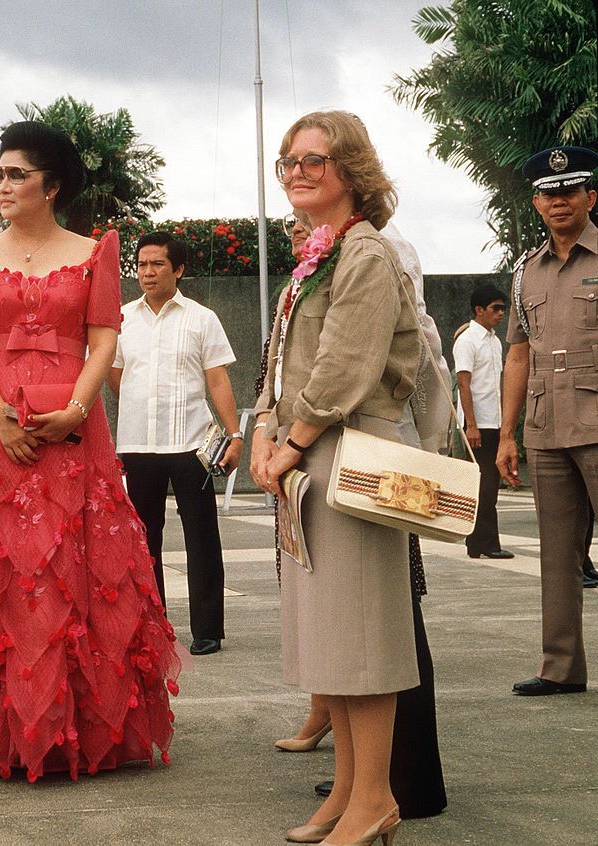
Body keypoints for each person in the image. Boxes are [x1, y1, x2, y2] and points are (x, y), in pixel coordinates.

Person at [0, 121, 182, 783]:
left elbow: (103, 339)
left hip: (74, 429)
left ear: (51, 184)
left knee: (75, 568)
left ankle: (79, 727)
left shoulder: (95, 251)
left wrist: (77, 409)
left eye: (16, 173)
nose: (2, 184)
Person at [251, 110, 420, 845]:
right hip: (310, 454)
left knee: (363, 639)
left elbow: (345, 365)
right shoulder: (317, 256)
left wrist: (288, 444)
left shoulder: (366, 255)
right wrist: (262, 429)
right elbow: (282, 359)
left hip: (352, 457)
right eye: (288, 160)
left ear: (351, 169)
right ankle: (349, 790)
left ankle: (376, 797)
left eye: (313, 160)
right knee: (332, 640)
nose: (295, 171)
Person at [108, 231, 242, 656]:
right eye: (142, 265)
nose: (147, 273)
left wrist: (235, 435)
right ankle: (152, 624)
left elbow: (217, 379)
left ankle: (207, 629)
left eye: (157, 265)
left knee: (201, 535)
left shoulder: (202, 319)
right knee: (142, 539)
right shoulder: (121, 319)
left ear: (178, 269)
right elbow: (115, 375)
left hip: (191, 444)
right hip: (138, 444)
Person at [498, 144, 598, 697]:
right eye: (549, 194)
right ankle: (561, 667)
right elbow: (518, 354)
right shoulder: (524, 273)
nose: (559, 202)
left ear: (590, 196)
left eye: (569, 191)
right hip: (547, 430)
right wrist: (508, 435)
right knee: (557, 555)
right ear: (536, 204)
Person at [453, 284, 513, 560]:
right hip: (478, 424)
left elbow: (497, 383)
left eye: (503, 308)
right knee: (484, 485)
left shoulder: (494, 340)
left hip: (495, 421)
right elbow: (464, 384)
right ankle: (483, 544)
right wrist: (472, 425)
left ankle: (484, 544)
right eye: (495, 308)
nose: (501, 313)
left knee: (490, 484)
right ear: (479, 310)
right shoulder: (467, 341)